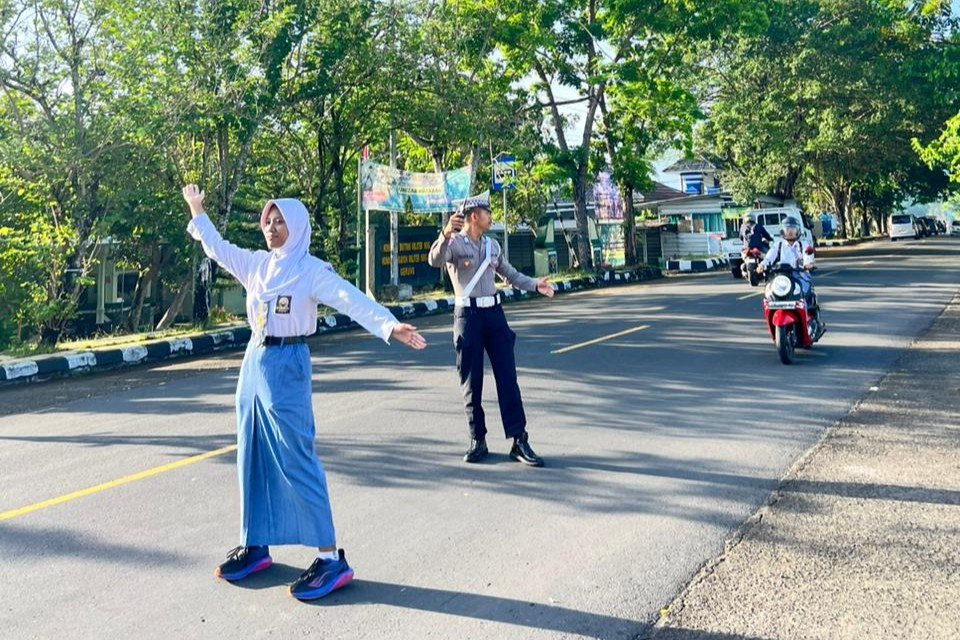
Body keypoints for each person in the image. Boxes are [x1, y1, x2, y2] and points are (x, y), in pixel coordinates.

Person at [181, 184, 426, 601]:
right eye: (268, 221)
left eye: (280, 222)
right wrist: (197, 209)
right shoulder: (258, 265)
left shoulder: (310, 270)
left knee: (296, 456)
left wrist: (388, 325)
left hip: (288, 363)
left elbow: (349, 298)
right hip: (254, 360)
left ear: (296, 226)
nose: (272, 228)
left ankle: (330, 558)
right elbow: (218, 249)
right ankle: (255, 543)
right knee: (251, 453)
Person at [427, 195, 555, 466]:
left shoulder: (492, 245)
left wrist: (535, 284)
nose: (491, 216)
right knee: (471, 383)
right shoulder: (454, 244)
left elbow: (510, 274)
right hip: (468, 317)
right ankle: (478, 439)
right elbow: (434, 260)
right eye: (487, 212)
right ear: (474, 216)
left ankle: (519, 440)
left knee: (508, 378)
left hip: (495, 316)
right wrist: (445, 233)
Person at [756, 217, 824, 330]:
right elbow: (769, 258)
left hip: (800, 277)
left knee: (804, 295)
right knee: (771, 293)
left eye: (793, 229)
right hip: (782, 278)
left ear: (798, 231)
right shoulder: (778, 245)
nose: (790, 231)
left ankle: (810, 322)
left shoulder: (803, 244)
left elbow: (807, 255)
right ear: (783, 231)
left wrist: (808, 264)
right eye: (787, 229)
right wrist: (762, 265)